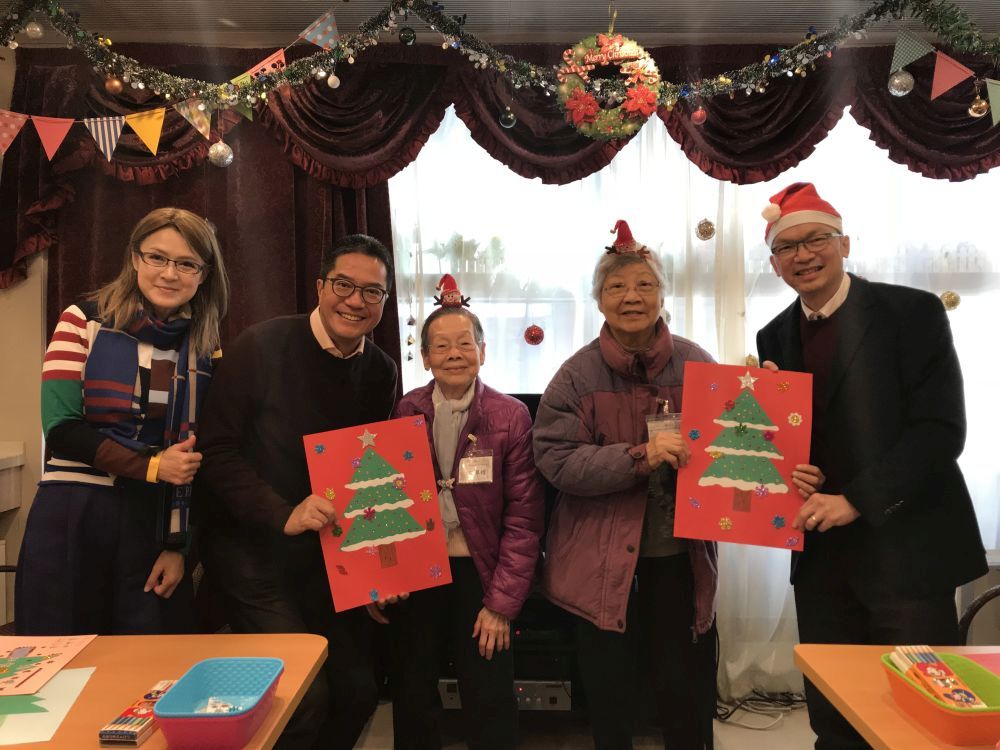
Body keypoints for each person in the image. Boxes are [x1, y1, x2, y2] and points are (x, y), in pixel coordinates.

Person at [755, 182, 988, 750]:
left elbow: (940, 431)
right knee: (833, 712)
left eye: (817, 240)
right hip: (822, 560)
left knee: (917, 710)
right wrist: (795, 469)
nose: (804, 256)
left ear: (845, 243)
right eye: (788, 248)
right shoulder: (773, 335)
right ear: (774, 263)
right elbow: (792, 436)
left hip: (906, 548)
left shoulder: (911, 312)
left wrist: (855, 498)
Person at [196, 234, 398, 750]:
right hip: (252, 557)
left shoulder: (379, 371)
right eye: (343, 285)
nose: (355, 300)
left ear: (385, 301)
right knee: (301, 699)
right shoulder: (260, 346)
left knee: (357, 691)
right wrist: (281, 514)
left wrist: (381, 570)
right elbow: (216, 454)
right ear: (320, 286)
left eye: (371, 292)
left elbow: (368, 475)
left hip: (328, 561)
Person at [533, 220, 720, 750]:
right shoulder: (574, 376)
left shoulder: (697, 362)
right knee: (610, 697)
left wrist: (761, 409)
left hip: (680, 560)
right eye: (616, 287)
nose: (631, 297)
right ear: (599, 301)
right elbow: (556, 461)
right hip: (599, 562)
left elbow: (728, 450)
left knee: (685, 692)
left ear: (662, 294)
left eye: (644, 285)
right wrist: (641, 456)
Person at [16, 207, 229, 635]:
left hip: (156, 525)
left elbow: (204, 458)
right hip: (75, 512)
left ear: (203, 275)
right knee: (65, 664)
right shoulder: (82, 320)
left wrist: (181, 549)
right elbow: (61, 429)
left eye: (186, 263)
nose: (170, 274)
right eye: (157, 257)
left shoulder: (206, 349)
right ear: (134, 259)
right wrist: (152, 465)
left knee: (154, 672)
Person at [370, 287, 545, 750]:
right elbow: (388, 502)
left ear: (483, 352)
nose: (454, 355)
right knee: (412, 687)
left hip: (480, 570)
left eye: (465, 343)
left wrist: (501, 605)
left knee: (488, 689)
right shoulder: (408, 409)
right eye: (441, 346)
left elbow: (524, 519)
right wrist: (380, 574)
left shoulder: (511, 416)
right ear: (425, 357)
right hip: (420, 570)